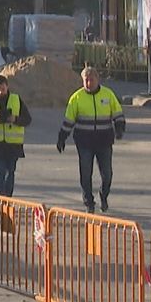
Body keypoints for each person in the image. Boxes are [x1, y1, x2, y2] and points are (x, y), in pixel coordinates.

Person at [57, 67, 126, 213]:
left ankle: (104, 195)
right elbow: (68, 121)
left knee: (107, 174)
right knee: (86, 173)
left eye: (91, 80)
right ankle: (89, 201)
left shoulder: (108, 95)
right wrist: (62, 138)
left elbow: (118, 114)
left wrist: (119, 128)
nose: (88, 83)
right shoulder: (76, 98)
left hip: (104, 141)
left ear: (97, 79)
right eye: (85, 80)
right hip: (84, 142)